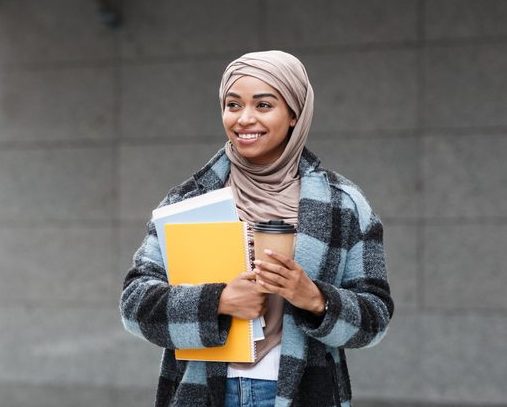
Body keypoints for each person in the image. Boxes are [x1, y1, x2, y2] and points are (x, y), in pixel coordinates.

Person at [120, 50, 394, 407]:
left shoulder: (343, 204)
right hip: (200, 393)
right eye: (233, 105)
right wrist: (216, 302)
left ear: (295, 113)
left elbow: (376, 317)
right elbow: (134, 305)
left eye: (263, 105)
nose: (244, 119)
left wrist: (314, 298)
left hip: (305, 394)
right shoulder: (188, 200)